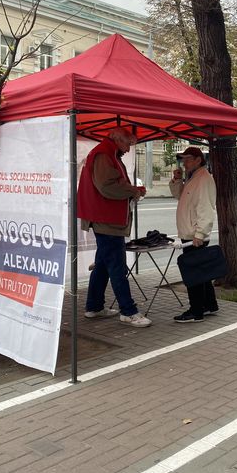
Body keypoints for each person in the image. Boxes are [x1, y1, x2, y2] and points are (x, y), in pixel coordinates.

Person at [77, 127, 151, 327]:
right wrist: (133, 191)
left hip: (105, 219)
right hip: (106, 220)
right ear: (117, 139)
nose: (128, 149)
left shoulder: (108, 153)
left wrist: (131, 190)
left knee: (102, 265)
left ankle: (94, 306)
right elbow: (107, 187)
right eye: (128, 144)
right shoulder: (104, 154)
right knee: (117, 266)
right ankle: (128, 311)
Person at [169, 146, 218, 323]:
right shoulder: (194, 177)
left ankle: (196, 311)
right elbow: (179, 196)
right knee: (202, 271)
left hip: (194, 235)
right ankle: (209, 305)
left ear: (198, 160)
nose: (184, 163)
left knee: (194, 274)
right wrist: (177, 180)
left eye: (188, 159)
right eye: (183, 159)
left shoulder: (203, 179)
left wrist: (200, 233)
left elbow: (206, 209)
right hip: (192, 233)